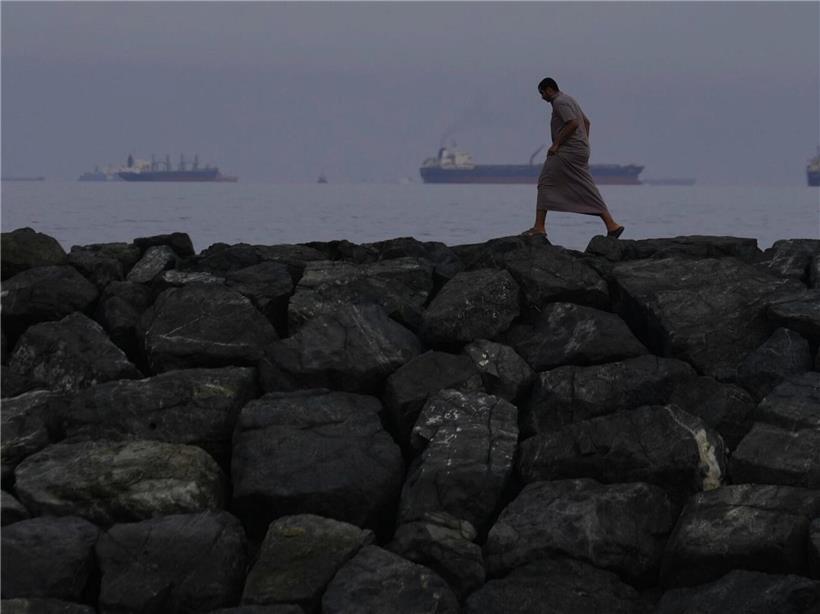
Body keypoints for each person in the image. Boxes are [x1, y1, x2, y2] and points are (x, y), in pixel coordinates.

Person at [522, 77, 625, 239]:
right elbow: (586, 122)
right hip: (579, 150)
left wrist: (556, 144)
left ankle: (539, 227)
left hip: (567, 151)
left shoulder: (559, 102)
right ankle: (612, 225)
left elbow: (573, 123)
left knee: (545, 181)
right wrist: (583, 144)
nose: (542, 97)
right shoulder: (569, 99)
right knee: (585, 186)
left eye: (542, 93)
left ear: (549, 89)